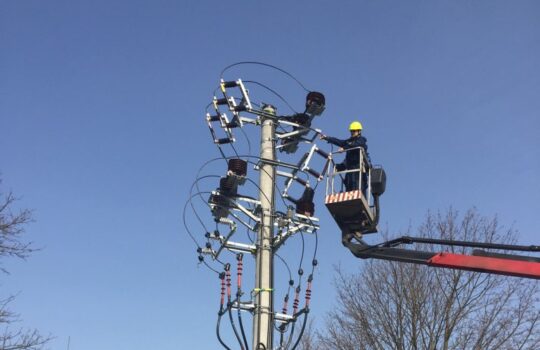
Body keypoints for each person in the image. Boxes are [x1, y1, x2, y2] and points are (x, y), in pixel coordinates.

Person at [320, 121, 370, 192]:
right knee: (348, 185)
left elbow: (356, 144)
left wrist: (344, 148)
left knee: (358, 187)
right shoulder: (349, 141)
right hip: (350, 170)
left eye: (354, 131)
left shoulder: (361, 140)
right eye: (351, 131)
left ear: (359, 131)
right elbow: (339, 142)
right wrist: (327, 138)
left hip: (359, 170)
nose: (352, 132)